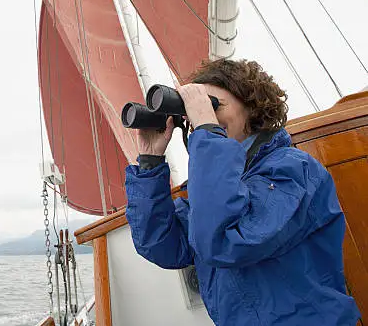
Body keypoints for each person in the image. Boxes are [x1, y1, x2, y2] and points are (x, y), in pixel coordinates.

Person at [125, 59, 360, 325]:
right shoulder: (216, 187)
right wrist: (150, 161)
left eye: (213, 105)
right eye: (197, 110)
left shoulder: (293, 169)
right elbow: (162, 246)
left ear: (251, 106)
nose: (202, 116)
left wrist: (207, 133)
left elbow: (225, 242)